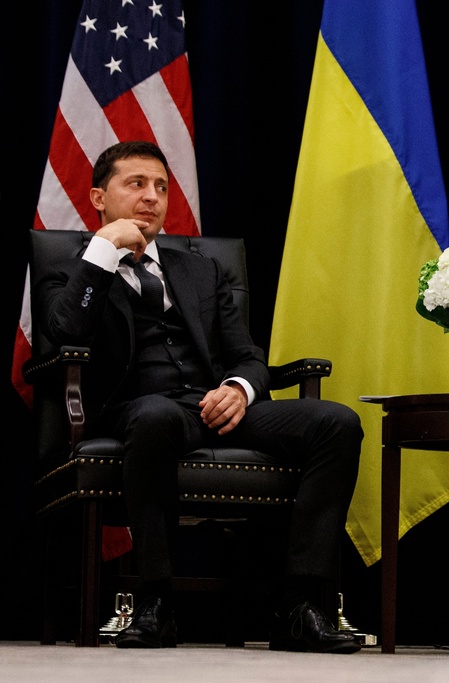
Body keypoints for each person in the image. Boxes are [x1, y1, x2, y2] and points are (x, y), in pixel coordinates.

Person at [37, 140, 364, 653]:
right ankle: (157, 601)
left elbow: (248, 354)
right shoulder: (77, 267)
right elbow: (63, 331)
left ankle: (300, 606)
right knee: (156, 417)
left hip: (212, 406)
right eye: (137, 184)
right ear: (99, 197)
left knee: (337, 423)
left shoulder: (200, 270)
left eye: (162, 187)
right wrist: (104, 249)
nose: (152, 197)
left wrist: (239, 389)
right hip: (137, 409)